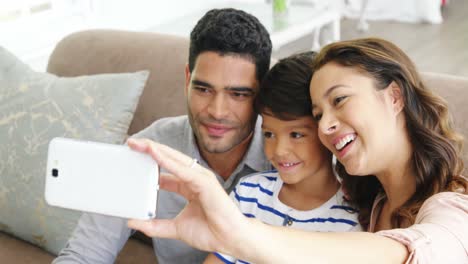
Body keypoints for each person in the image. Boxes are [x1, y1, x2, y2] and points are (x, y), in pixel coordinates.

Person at [126, 38, 468, 264]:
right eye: (318, 115)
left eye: (340, 100)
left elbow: (413, 250)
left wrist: (238, 232)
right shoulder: (372, 204)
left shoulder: (452, 207)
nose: (326, 127)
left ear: (394, 96)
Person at [53, 8, 272, 264]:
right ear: (187, 79)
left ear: (261, 94)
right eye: (203, 89)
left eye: (238, 94)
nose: (217, 111)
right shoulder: (150, 149)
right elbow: (83, 254)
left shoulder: (287, 156)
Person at [204, 51, 361, 264]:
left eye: (296, 134)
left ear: (326, 130)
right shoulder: (249, 193)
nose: (279, 150)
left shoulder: (349, 220)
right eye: (269, 134)